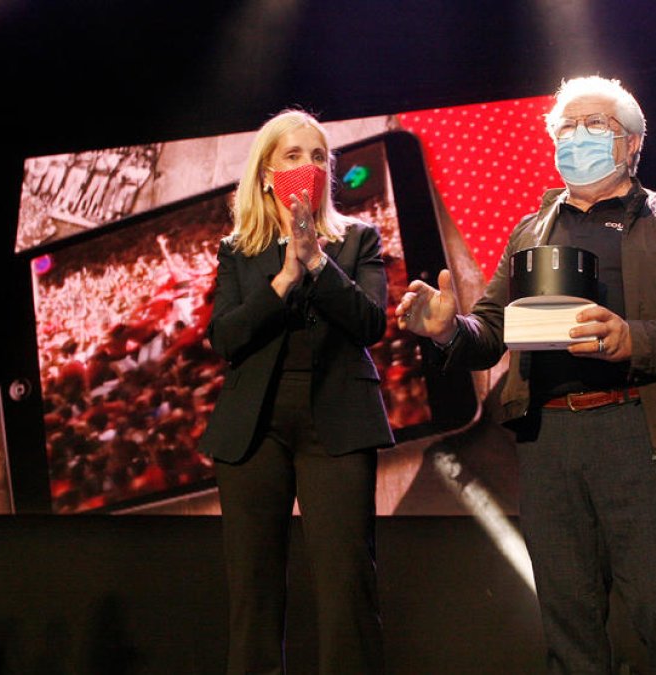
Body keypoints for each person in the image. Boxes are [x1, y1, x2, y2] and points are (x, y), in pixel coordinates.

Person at [397, 76, 656, 674]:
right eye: (567, 128)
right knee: (569, 625)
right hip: (550, 442)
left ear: (634, 144)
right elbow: (490, 334)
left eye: (597, 127)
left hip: (642, 432)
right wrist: (447, 329)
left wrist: (632, 339)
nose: (577, 138)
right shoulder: (530, 231)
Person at [199, 109, 393, 675]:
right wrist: (283, 279)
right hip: (254, 431)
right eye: (292, 156)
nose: (308, 166)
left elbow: (370, 323)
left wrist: (317, 263)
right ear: (265, 174)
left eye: (318, 157)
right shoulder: (237, 250)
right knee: (254, 593)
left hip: (337, 422)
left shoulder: (357, 240)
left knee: (346, 586)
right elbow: (225, 336)